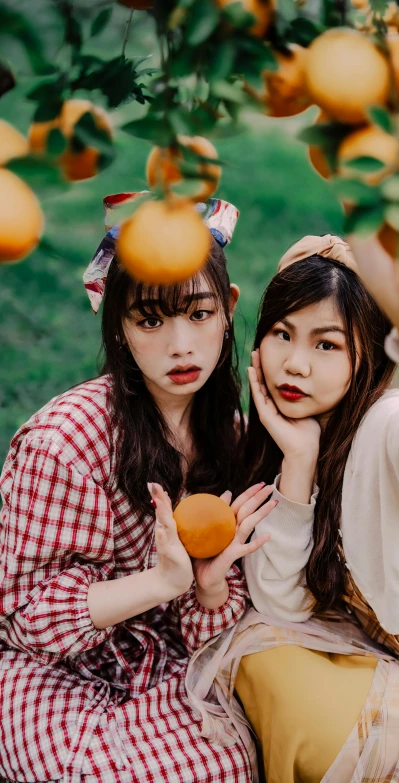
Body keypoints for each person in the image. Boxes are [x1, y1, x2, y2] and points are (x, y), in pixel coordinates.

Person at [185, 234, 399, 783]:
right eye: (282, 334)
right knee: (257, 653)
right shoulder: (291, 439)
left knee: (306, 720)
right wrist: (297, 464)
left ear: (366, 351)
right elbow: (282, 606)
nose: (294, 365)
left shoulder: (390, 429)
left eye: (327, 345)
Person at [0, 193, 277, 783]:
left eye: (198, 314)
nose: (180, 345)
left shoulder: (229, 433)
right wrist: (162, 582)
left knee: (240, 761)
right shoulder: (66, 443)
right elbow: (27, 619)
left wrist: (203, 588)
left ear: (227, 310)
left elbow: (209, 621)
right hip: (53, 671)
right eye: (150, 319)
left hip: (168, 660)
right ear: (119, 328)